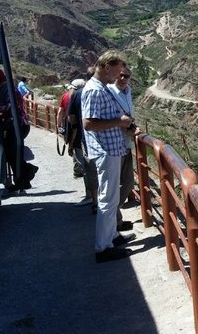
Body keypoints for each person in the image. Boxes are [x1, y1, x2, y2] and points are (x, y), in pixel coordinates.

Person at [82, 51, 136, 263]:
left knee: (112, 198)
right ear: (106, 67)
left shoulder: (101, 88)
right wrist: (120, 122)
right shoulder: (95, 91)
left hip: (111, 150)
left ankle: (112, 236)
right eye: (117, 70)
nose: (119, 75)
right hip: (106, 151)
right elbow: (88, 123)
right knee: (107, 199)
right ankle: (103, 247)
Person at [107, 66, 139, 232]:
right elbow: (112, 118)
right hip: (114, 145)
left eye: (126, 76)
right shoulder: (109, 92)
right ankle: (113, 221)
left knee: (127, 183)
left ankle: (114, 217)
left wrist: (133, 127)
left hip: (126, 144)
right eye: (120, 75)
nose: (123, 78)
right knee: (113, 186)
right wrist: (126, 127)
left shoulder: (128, 91)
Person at [0, 69, 38, 192]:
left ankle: (27, 172)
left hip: (17, 125)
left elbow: (8, 106)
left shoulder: (9, 90)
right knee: (11, 154)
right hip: (10, 125)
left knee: (12, 153)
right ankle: (23, 181)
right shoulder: (2, 90)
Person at [66, 73, 98, 212]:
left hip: (81, 139)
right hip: (97, 137)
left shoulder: (76, 95)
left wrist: (71, 143)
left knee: (87, 169)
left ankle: (90, 196)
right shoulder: (97, 92)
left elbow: (72, 122)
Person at [58, 79, 86, 178]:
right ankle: (79, 170)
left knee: (76, 149)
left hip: (71, 126)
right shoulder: (86, 96)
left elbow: (60, 112)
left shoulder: (66, 96)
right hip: (83, 128)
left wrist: (59, 126)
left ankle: (78, 170)